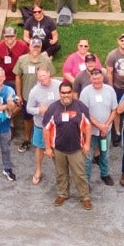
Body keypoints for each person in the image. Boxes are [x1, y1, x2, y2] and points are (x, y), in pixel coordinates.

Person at [45, 80, 94, 209]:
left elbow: (88, 126)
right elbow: (46, 129)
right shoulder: (53, 108)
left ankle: (85, 197)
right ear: (59, 93)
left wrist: (87, 144)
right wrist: (48, 148)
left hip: (76, 149)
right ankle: (62, 194)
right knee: (61, 173)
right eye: (63, 93)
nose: (66, 95)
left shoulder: (80, 107)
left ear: (72, 92)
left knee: (80, 174)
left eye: (68, 92)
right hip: (58, 149)